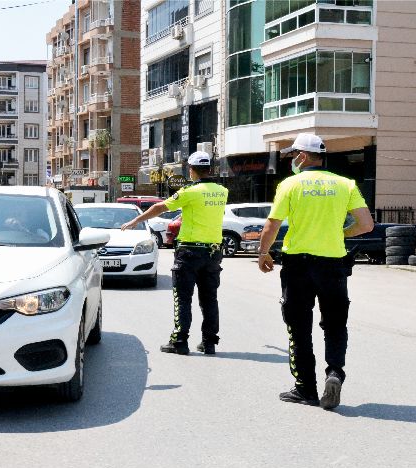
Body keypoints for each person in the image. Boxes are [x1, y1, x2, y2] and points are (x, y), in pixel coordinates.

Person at [257, 133, 374, 410]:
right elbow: (366, 224)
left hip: (298, 264)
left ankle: (305, 389)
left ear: (303, 156)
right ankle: (334, 372)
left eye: (294, 155)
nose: (292, 160)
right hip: (333, 264)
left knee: (299, 327)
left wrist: (263, 253)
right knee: (335, 324)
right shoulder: (346, 184)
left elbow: (271, 225)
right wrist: (340, 232)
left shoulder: (290, 185)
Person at [121, 151, 228, 356]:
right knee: (210, 299)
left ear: (191, 170)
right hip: (214, 252)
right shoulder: (222, 191)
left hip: (189, 251)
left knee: (183, 298)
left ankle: (179, 341)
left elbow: (160, 207)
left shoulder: (189, 192)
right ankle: (209, 343)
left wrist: (136, 221)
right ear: (210, 169)